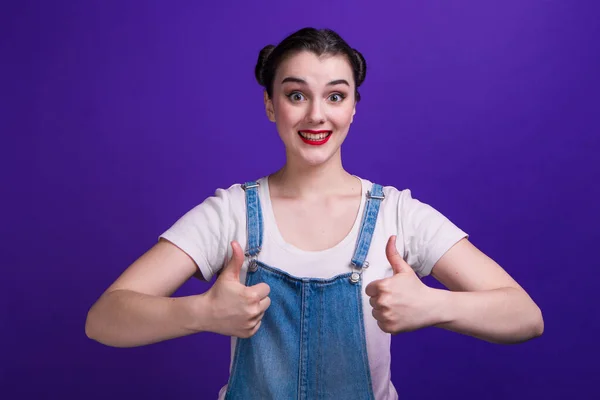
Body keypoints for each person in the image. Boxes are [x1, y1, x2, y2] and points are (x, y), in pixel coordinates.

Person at [85, 27, 544, 400]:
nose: (317, 116)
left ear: (354, 109)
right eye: (297, 95)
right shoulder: (229, 214)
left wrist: (435, 304)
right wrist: (201, 313)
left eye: (336, 96)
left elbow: (524, 317)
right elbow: (104, 318)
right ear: (270, 105)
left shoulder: (398, 216)